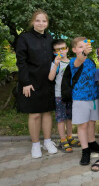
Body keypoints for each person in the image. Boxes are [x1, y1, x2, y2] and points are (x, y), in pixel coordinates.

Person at [16, 9, 58, 158]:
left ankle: (47, 141)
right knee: (34, 115)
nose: (41, 23)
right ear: (32, 21)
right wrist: (25, 82)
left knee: (47, 112)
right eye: (38, 20)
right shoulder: (24, 38)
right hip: (31, 82)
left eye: (44, 21)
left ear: (47, 23)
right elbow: (21, 62)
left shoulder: (50, 37)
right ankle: (35, 145)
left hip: (47, 81)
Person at [70, 37, 99, 165]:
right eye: (80, 47)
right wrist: (83, 53)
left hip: (93, 98)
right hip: (80, 99)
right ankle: (85, 150)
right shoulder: (74, 62)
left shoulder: (91, 61)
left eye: (85, 46)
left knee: (92, 122)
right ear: (74, 49)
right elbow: (79, 61)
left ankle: (92, 142)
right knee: (83, 125)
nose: (83, 49)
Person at [48, 39, 80, 153]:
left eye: (63, 48)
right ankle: (62, 140)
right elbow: (51, 78)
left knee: (70, 117)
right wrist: (56, 63)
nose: (61, 51)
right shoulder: (55, 63)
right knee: (61, 118)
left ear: (67, 49)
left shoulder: (72, 62)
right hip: (59, 95)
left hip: (70, 95)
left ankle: (70, 137)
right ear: (54, 52)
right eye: (57, 49)